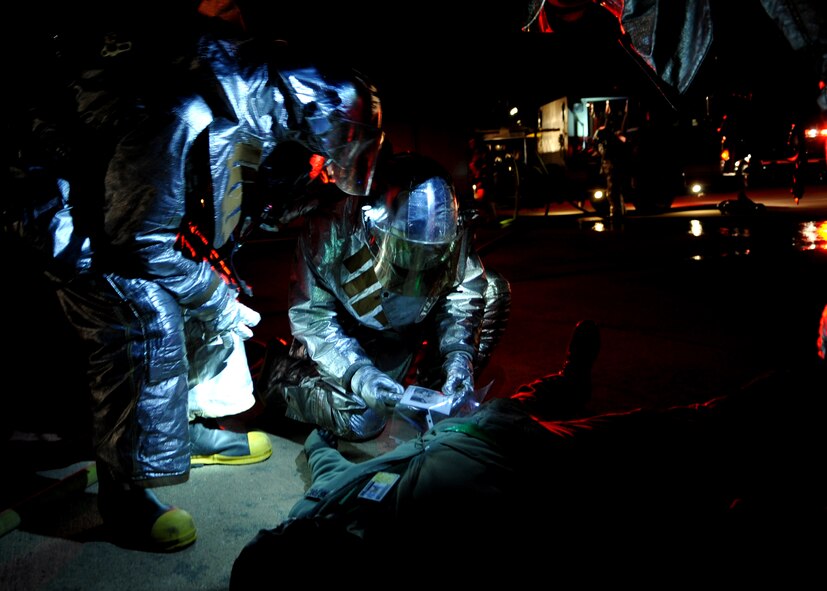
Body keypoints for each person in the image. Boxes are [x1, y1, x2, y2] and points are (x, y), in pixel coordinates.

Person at [5, 10, 385, 552]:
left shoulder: (254, 106)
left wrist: (221, 282)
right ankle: (125, 491)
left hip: (116, 202)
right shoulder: (186, 107)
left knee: (212, 284)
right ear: (309, 109)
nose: (330, 156)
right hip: (54, 193)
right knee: (143, 312)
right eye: (335, 141)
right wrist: (213, 297)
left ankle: (179, 429)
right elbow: (139, 242)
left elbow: (233, 205)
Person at [230, 308, 827, 584]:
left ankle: (571, 381)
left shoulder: (322, 508)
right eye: (284, 540)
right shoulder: (410, 556)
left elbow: (325, 463)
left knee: (533, 397)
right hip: (532, 459)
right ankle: (784, 395)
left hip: (479, 428)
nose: (285, 529)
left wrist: (314, 422)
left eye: (278, 533)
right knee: (659, 432)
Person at [256, 152, 512, 442]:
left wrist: (458, 357)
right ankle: (281, 377)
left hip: (403, 336)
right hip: (350, 339)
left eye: (431, 253)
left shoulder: (451, 229)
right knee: (361, 419)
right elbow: (312, 316)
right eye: (407, 251)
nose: (417, 267)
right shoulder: (330, 229)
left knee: (492, 290)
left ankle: (437, 396)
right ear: (372, 223)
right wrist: (358, 373)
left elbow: (464, 293)